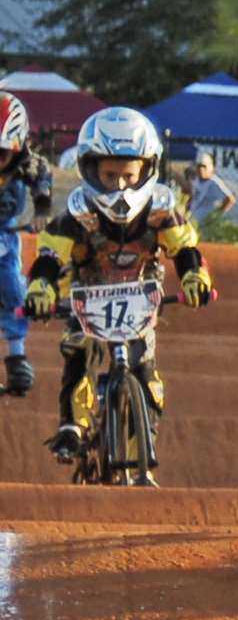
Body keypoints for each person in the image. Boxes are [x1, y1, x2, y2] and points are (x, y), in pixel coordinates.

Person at [24, 108, 214, 468]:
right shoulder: (78, 213)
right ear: (90, 170)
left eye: (129, 175)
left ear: (147, 170)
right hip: (87, 294)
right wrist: (41, 288)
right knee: (77, 350)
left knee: (145, 369)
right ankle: (73, 424)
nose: (120, 186)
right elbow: (50, 254)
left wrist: (194, 278)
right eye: (110, 175)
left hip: (141, 296)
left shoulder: (161, 210)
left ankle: (143, 442)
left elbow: (186, 249)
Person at [0, 92, 52, 397]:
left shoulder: (30, 164)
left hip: (4, 235)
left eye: (1, 153)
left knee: (14, 291)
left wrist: (42, 213)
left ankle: (17, 355)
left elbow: (42, 186)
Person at [186, 151, 237, 227]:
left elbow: (230, 199)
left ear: (210, 167)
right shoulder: (196, 180)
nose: (201, 169)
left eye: (204, 166)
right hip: (194, 220)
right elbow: (194, 196)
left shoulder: (214, 182)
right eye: (199, 166)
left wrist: (216, 216)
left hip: (206, 223)